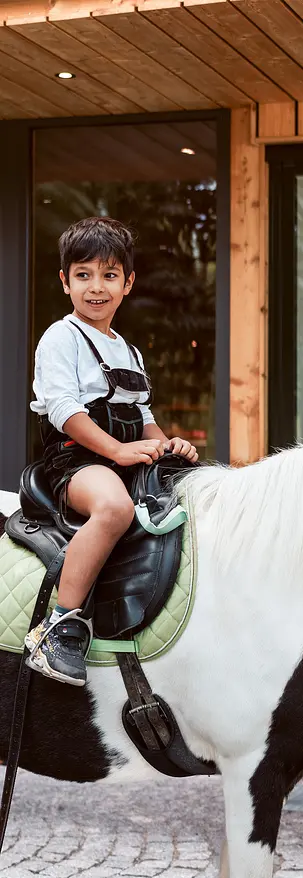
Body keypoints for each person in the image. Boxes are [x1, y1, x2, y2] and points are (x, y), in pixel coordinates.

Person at [27, 216, 198, 688]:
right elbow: (63, 410)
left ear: (128, 283)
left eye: (109, 275)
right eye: (83, 275)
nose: (96, 287)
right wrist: (118, 452)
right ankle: (58, 627)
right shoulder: (60, 337)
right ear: (65, 282)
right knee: (115, 508)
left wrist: (167, 444)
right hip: (77, 461)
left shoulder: (131, 352)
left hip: (122, 457)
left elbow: (142, 415)